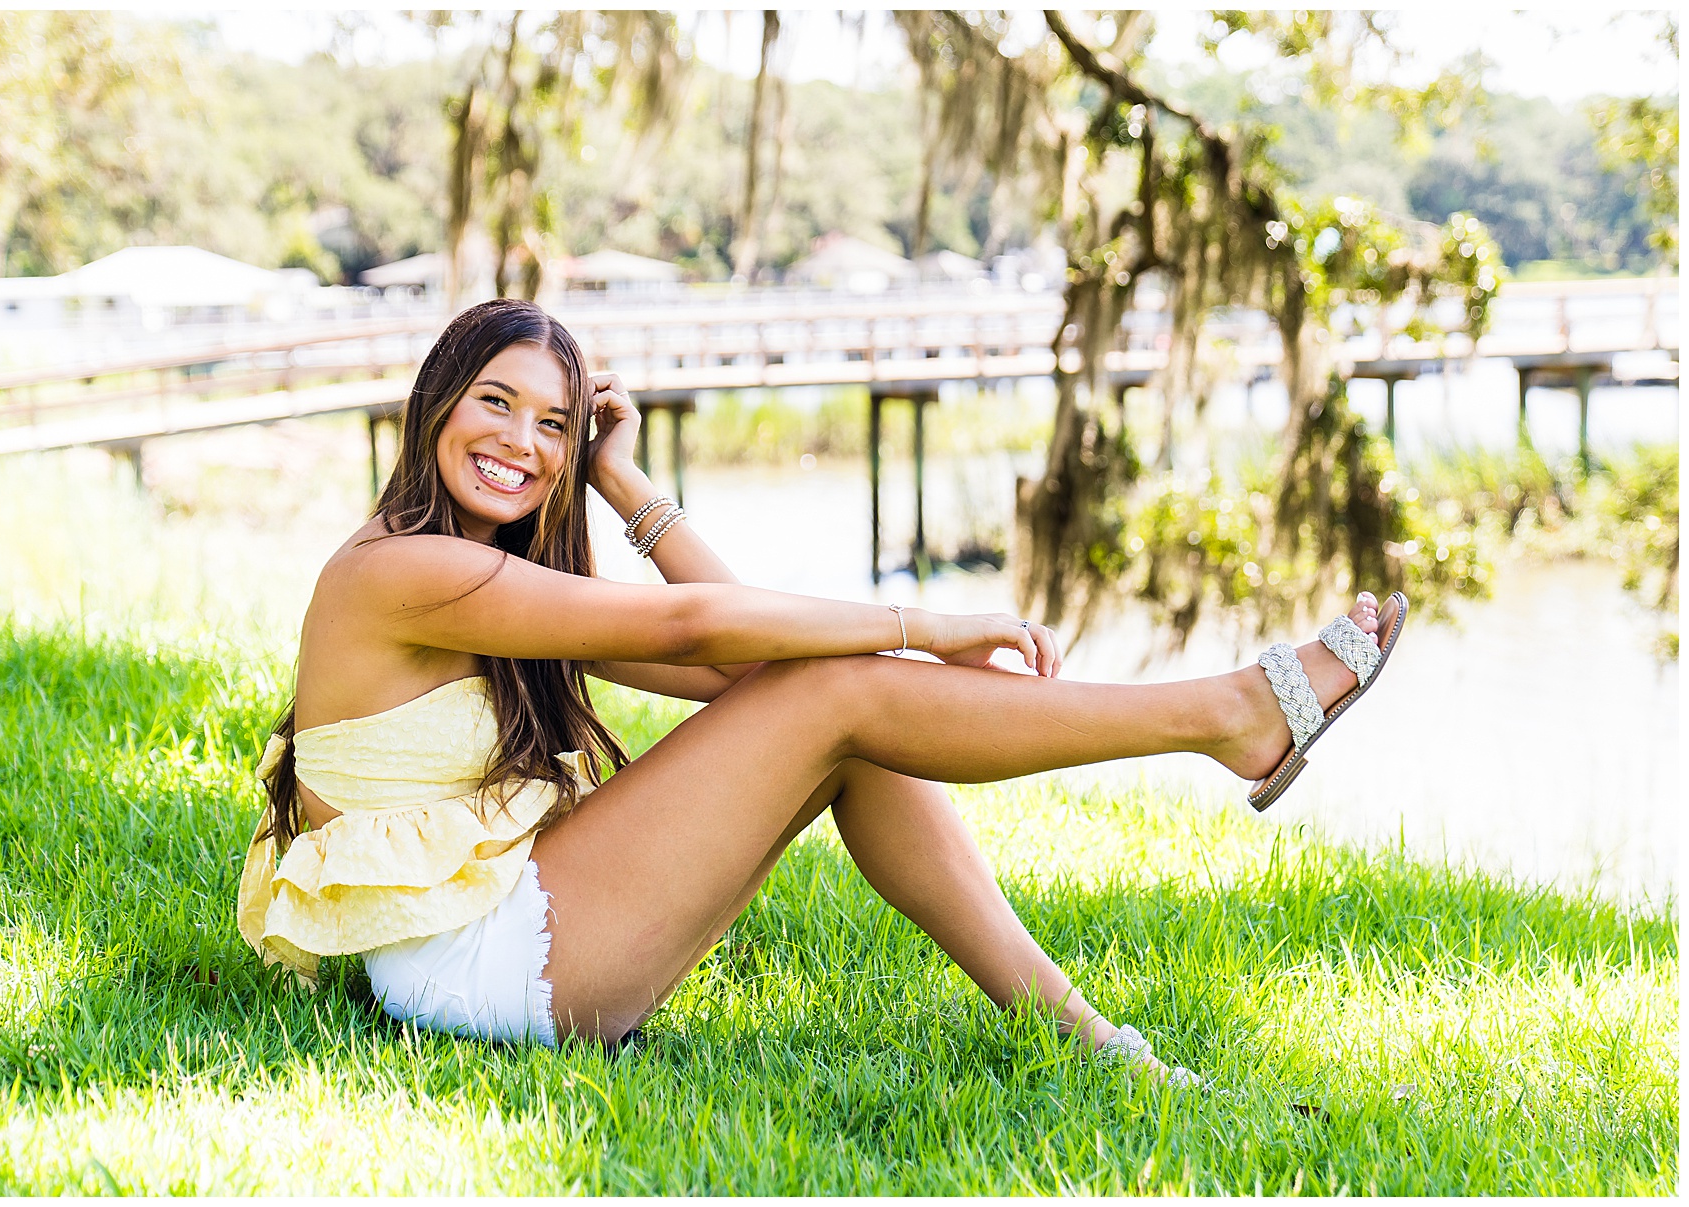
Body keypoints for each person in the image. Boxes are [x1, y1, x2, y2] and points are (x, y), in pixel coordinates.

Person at [236, 298, 1405, 1087]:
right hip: (471, 966)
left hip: (491, 940)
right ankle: (1220, 714)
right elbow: (705, 624)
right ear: (435, 398)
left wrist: (622, 480)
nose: (523, 443)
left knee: (836, 710)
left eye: (555, 423)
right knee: (840, 695)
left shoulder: (500, 578)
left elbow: (749, 662)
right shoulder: (404, 573)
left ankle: (1089, 1036)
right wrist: (929, 624)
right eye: (495, 401)